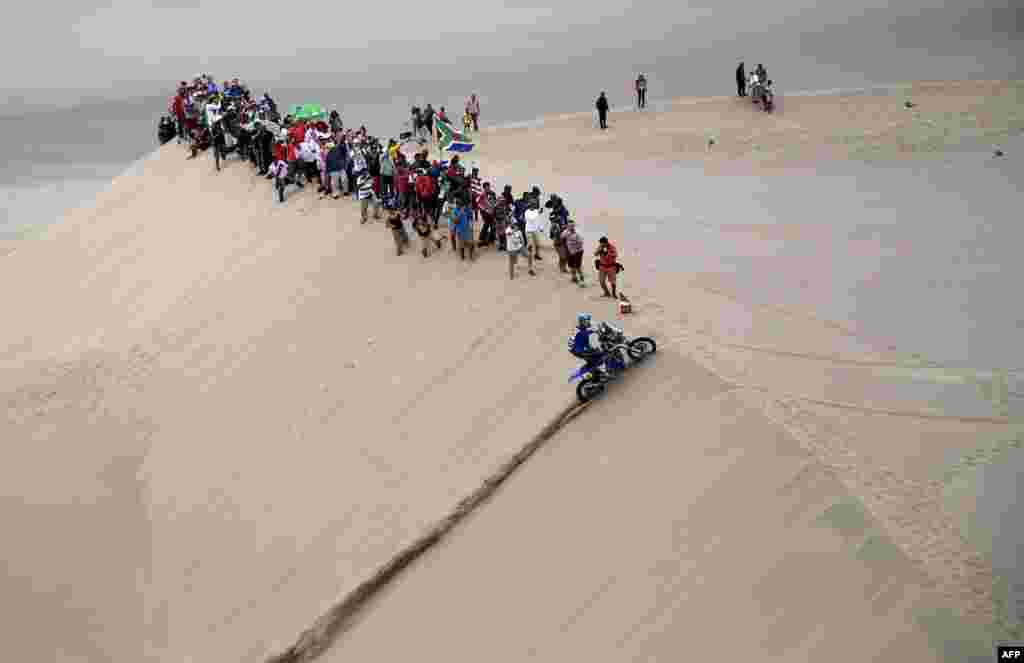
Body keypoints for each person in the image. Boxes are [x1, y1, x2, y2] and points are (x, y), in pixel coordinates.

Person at [568, 313, 609, 379]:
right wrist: (597, 331)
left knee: (595, 354)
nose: (589, 322)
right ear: (582, 322)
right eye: (587, 321)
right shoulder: (582, 331)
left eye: (589, 320)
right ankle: (597, 375)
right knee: (599, 355)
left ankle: (594, 371)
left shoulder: (580, 328)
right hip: (578, 350)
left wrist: (591, 348)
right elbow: (588, 333)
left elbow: (585, 342)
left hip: (576, 348)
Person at [562, 221, 585, 285]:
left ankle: (581, 277)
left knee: (578, 266)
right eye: (569, 226)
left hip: (578, 252)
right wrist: (566, 248)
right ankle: (574, 277)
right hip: (570, 252)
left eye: (572, 226)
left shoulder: (578, 233)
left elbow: (581, 243)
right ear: (567, 226)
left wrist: (575, 247)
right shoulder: (565, 232)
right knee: (571, 265)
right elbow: (562, 238)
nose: (571, 227)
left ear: (574, 226)